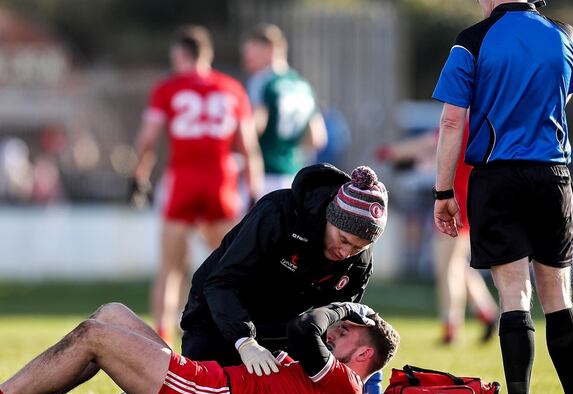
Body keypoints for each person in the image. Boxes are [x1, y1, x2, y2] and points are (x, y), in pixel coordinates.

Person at [431, 0, 573, 394]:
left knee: (514, 295)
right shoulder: (565, 35)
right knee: (557, 292)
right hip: (553, 174)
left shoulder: (473, 40)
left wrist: (443, 190)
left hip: (498, 179)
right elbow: (562, 101)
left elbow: (450, 122)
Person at [0, 301, 400, 394]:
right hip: (207, 384)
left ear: (362, 353)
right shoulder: (329, 379)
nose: (334, 330)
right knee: (112, 313)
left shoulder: (347, 389)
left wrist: (342, 306)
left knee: (94, 336)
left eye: (346, 331)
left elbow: (303, 328)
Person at [179, 163, 388, 374]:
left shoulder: (359, 261)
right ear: (329, 216)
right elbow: (222, 283)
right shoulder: (279, 213)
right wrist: (245, 343)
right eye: (342, 239)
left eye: (357, 247)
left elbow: (334, 321)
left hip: (278, 332)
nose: (345, 252)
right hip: (215, 317)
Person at [128, 25, 264, 344]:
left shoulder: (169, 88)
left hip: (184, 180)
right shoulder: (231, 89)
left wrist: (138, 174)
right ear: (208, 55)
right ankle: (235, 332)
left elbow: (147, 139)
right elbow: (248, 146)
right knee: (229, 266)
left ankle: (162, 337)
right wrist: (254, 189)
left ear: (179, 54)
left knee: (170, 267)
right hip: (221, 181)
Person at [376, 126, 498, 345]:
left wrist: (390, 152)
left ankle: (451, 327)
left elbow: (428, 142)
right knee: (457, 263)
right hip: (474, 201)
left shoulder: (462, 121)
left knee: (447, 268)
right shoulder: (483, 123)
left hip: (455, 202)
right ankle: (486, 312)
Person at [242, 24, 327, 193]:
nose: (246, 59)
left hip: (264, 174)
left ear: (269, 50)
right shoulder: (303, 85)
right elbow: (317, 138)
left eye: (251, 52)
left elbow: (255, 127)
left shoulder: (263, 81)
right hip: (293, 176)